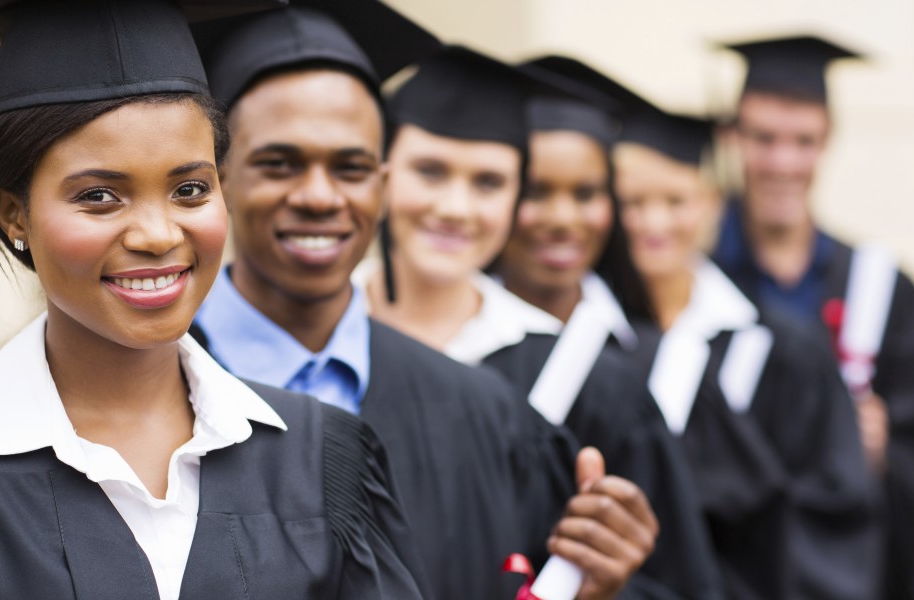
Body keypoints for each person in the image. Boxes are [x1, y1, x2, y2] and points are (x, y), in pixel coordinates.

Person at [0, 1, 430, 598]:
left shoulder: (321, 458)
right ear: (14, 215)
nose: (159, 235)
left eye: (190, 189)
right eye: (100, 196)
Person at [191, 9, 662, 599]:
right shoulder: (135, 389)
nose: (318, 195)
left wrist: (600, 584)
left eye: (351, 167)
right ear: (218, 178)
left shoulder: (486, 414)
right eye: (279, 163)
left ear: (383, 185)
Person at [357, 45, 723, 599]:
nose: (456, 207)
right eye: (429, 171)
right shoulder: (310, 342)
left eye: (489, 182)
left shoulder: (595, 382)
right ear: (380, 173)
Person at [613, 100, 880, 599]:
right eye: (633, 203)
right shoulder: (597, 338)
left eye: (676, 201)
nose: (654, 222)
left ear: (713, 203)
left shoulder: (782, 350)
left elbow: (831, 519)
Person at [485, 55, 724, 600]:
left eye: (587, 193)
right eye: (536, 191)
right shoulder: (444, 348)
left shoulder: (649, 360)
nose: (563, 217)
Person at [712, 35, 914, 598]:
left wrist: (881, 454)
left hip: (845, 573)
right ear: (733, 138)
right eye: (763, 139)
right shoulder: (695, 278)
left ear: (827, 142)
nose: (783, 162)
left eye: (803, 141)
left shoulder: (880, 287)